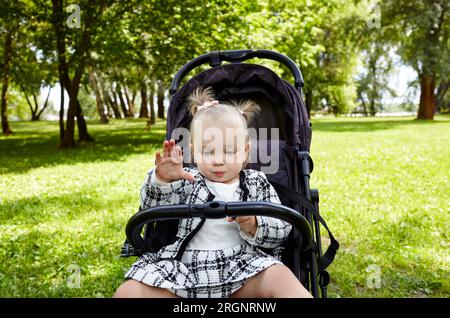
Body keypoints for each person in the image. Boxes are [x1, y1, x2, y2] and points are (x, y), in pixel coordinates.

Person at [114, 87, 312, 298]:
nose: (218, 160)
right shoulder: (187, 180)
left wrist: (255, 223)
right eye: (208, 151)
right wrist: (163, 179)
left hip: (243, 268)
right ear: (193, 151)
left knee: (279, 277)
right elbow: (154, 209)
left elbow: (282, 229)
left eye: (229, 151)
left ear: (245, 151)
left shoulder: (256, 183)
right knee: (129, 291)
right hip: (184, 270)